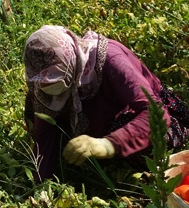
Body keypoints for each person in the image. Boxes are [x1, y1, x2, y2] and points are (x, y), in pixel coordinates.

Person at [22, 25, 189, 181]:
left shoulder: (110, 60)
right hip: (96, 113)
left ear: (69, 61)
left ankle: (119, 157)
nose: (46, 85)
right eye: (42, 81)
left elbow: (156, 114)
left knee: (145, 148)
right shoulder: (44, 85)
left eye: (53, 78)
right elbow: (44, 133)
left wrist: (107, 144)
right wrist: (40, 179)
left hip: (145, 116)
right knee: (36, 103)